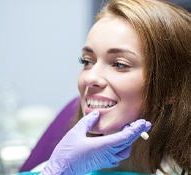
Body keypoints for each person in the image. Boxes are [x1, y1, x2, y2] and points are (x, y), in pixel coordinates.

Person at [19, 0, 191, 174]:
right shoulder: (56, 168)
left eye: (120, 64)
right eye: (87, 61)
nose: (91, 77)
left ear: (171, 89)